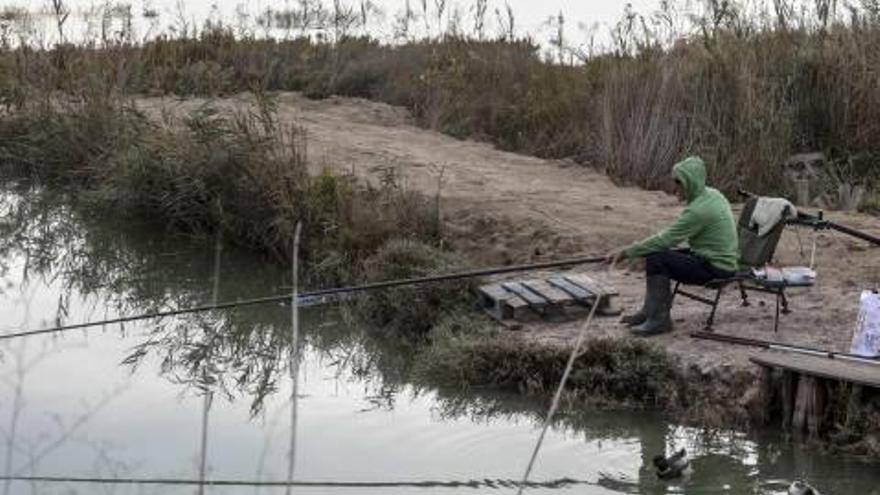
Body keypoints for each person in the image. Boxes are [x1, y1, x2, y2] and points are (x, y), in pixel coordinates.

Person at [605, 156, 738, 336]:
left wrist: (627, 252)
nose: (675, 187)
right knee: (656, 253)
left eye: (679, 182)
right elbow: (665, 240)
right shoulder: (712, 194)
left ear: (691, 182)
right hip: (715, 259)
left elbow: (665, 239)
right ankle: (649, 313)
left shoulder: (698, 211)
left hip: (716, 268)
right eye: (675, 181)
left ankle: (659, 321)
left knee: (657, 258)